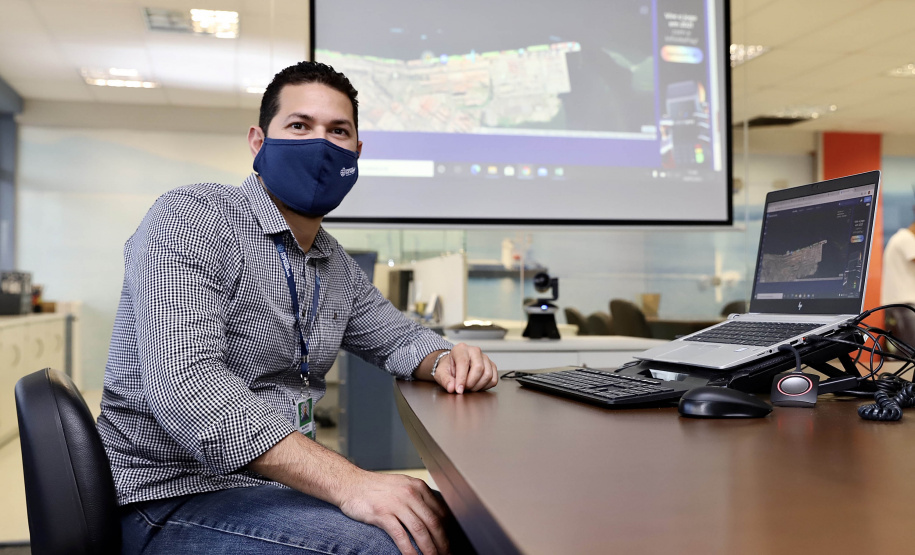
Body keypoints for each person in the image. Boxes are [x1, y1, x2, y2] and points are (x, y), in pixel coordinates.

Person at [98, 61, 498, 555]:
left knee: (474, 527)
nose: (320, 144)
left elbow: (398, 338)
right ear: (257, 142)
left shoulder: (333, 264)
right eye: (299, 126)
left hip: (272, 492)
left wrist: (446, 357)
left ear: (357, 152)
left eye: (338, 131)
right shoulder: (192, 219)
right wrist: (351, 482)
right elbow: (187, 384)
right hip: (170, 498)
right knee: (406, 546)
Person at [882, 218, 915, 348]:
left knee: (905, 348)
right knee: (911, 348)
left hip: (899, 302)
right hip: (905, 303)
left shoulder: (899, 238)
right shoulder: (906, 239)